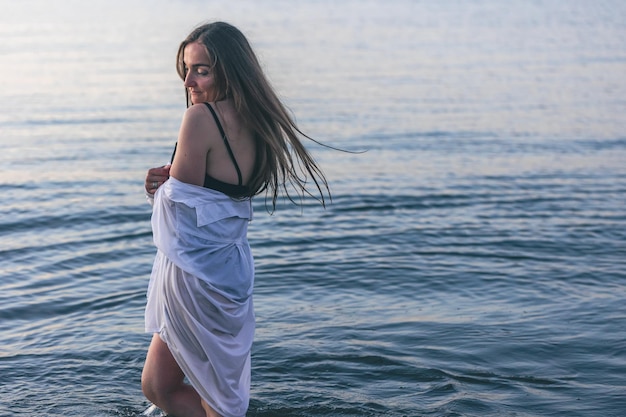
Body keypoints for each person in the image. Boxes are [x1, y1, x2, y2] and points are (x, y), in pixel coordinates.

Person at [141, 22, 329, 417]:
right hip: (231, 268)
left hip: (197, 274)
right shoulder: (261, 123)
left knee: (183, 391)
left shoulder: (200, 118)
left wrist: (159, 189)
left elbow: (182, 211)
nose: (189, 80)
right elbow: (215, 192)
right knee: (180, 386)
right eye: (188, 69)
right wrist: (172, 180)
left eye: (202, 70)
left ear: (228, 70)